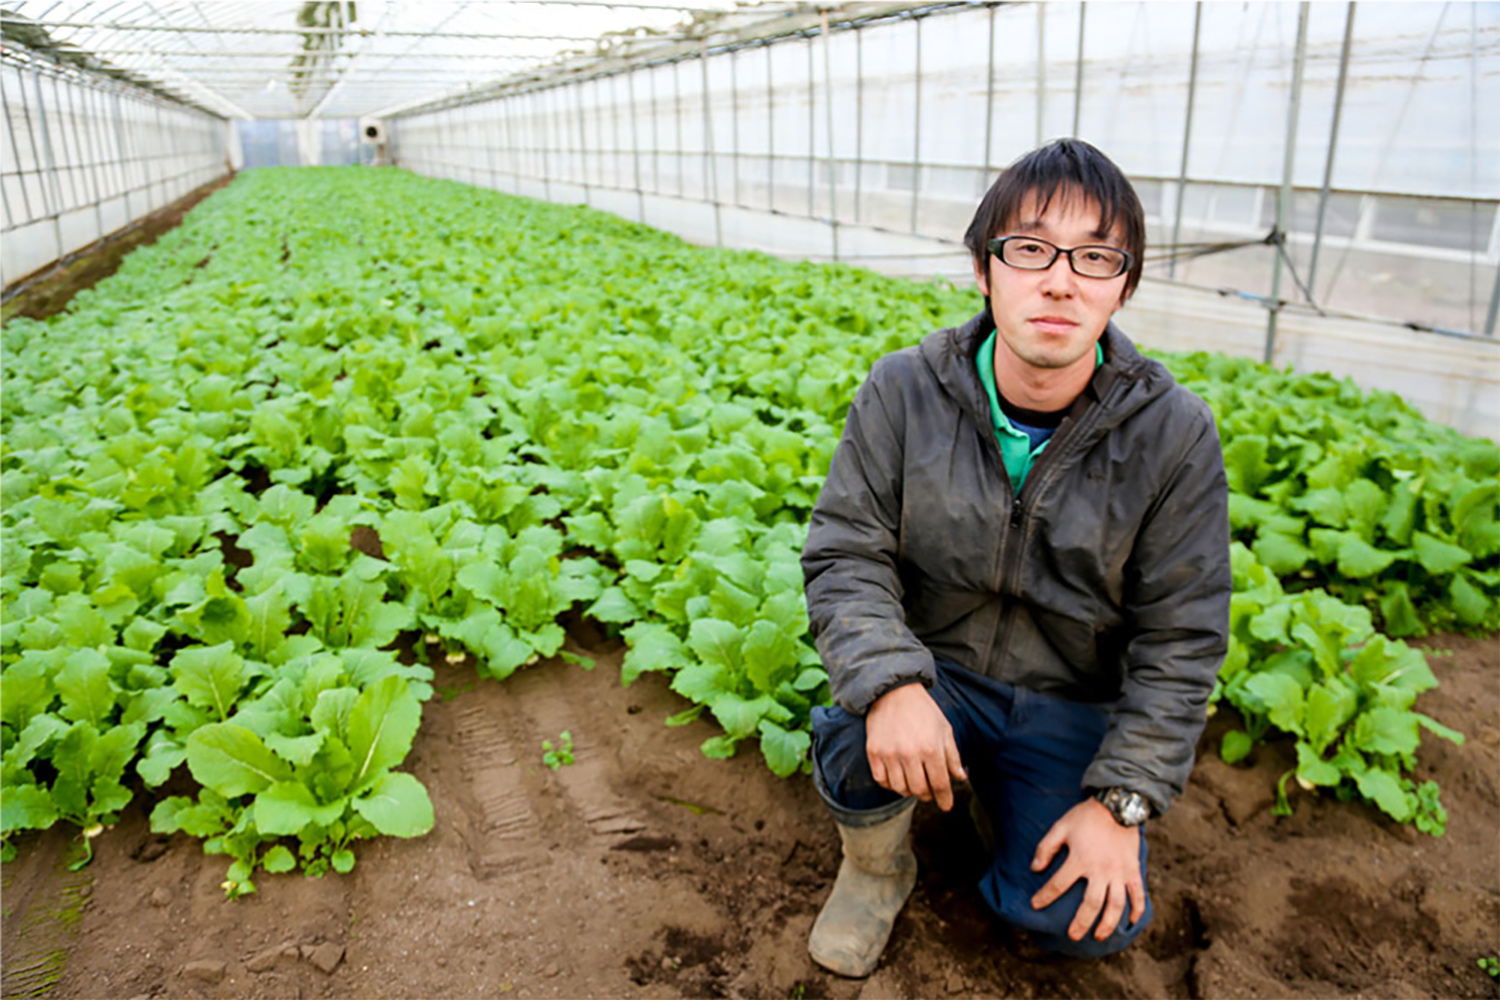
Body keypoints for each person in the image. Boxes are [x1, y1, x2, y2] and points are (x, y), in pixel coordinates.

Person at [800, 138, 1231, 977]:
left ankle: (1008, 798)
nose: (1060, 280)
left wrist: (1122, 800)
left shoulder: (1175, 435)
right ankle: (877, 868)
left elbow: (1182, 640)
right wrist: (892, 682)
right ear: (982, 268)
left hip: (1069, 703)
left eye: (1095, 256)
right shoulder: (903, 389)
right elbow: (847, 550)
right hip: (939, 673)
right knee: (857, 731)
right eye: (1030, 249)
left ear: (1125, 285)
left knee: (1085, 922)